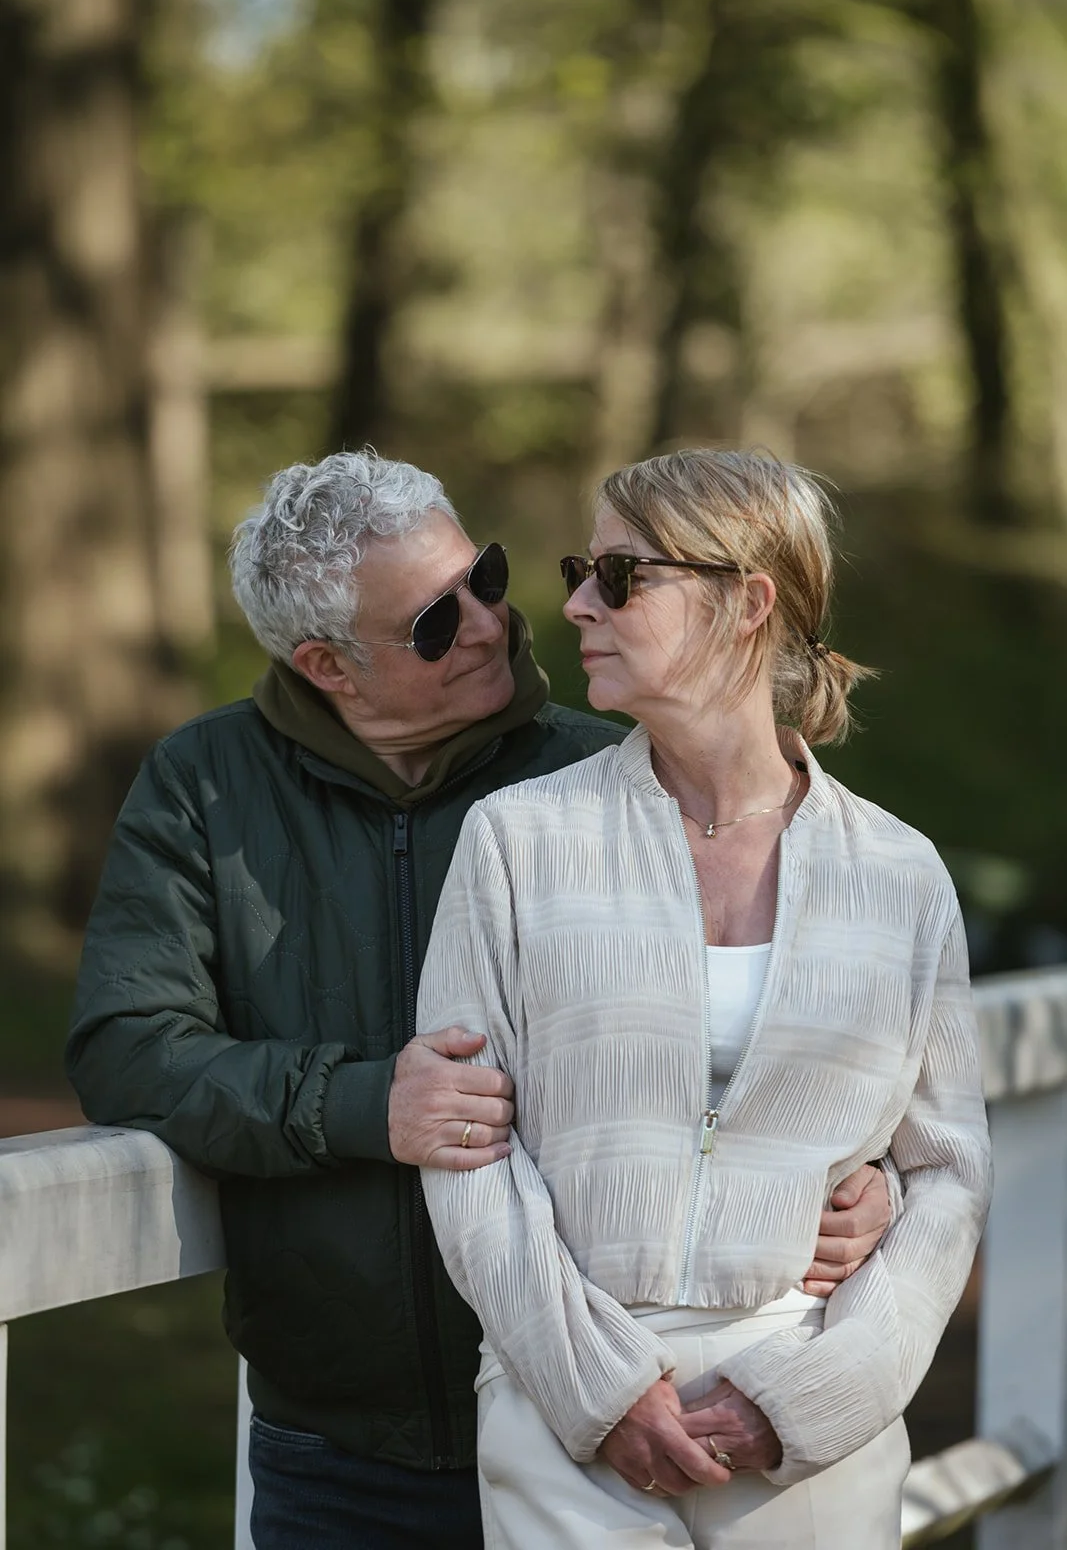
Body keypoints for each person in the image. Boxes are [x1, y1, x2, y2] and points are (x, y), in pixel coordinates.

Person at [66, 449, 896, 1550]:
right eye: (429, 622)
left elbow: (751, 1045)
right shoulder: (205, 785)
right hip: (338, 1443)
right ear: (327, 664)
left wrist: (855, 1176)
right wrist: (358, 1105)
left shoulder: (614, 771)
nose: (489, 623)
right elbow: (127, 1048)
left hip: (596, 1420)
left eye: (486, 577)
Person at [416, 448, 992, 1550]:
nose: (577, 600)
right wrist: (595, 1389)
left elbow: (946, 1174)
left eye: (623, 575)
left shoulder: (897, 873)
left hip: (812, 1409)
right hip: (566, 1409)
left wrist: (809, 1400)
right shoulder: (517, 842)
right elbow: (466, 1149)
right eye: (583, 568)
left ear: (745, 602)